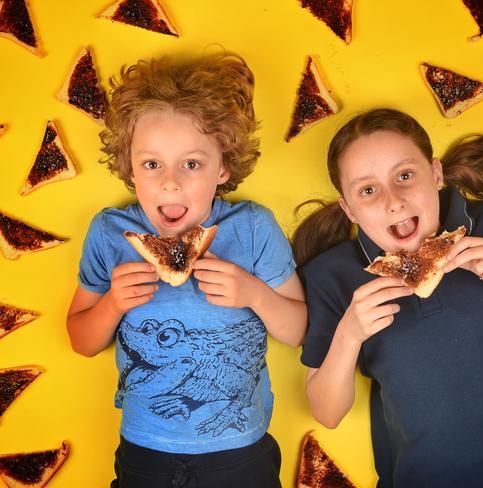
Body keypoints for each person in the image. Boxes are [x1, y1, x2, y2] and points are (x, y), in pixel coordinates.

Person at [293, 108, 483, 488]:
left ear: (436, 174)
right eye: (368, 190)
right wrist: (349, 334)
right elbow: (327, 412)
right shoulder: (332, 277)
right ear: (348, 208)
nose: (393, 201)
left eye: (405, 175)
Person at [66, 52, 307, 488]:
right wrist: (112, 305)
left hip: (241, 452)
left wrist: (254, 294)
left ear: (224, 168)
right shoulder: (109, 233)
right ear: (129, 168)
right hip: (144, 451)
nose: (170, 182)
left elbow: (298, 330)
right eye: (151, 163)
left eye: (191, 164)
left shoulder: (252, 227)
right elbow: (81, 341)